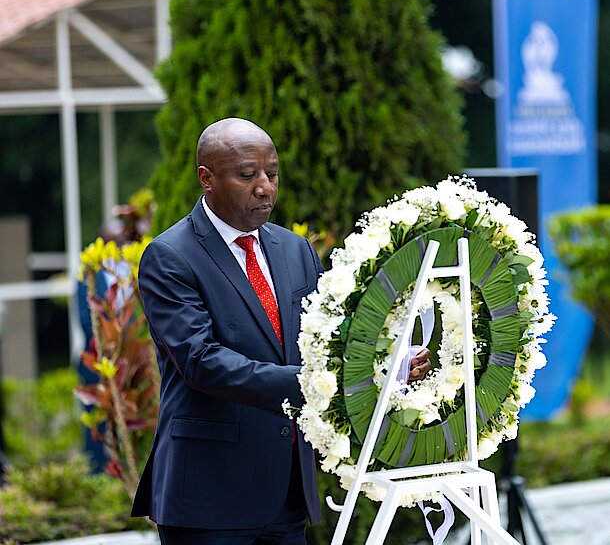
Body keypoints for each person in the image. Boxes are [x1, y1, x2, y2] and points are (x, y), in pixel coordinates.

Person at [131, 118, 431, 544]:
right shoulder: (170, 256)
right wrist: (313, 383)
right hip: (208, 494)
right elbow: (201, 361)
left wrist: (390, 366)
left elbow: (334, 339)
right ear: (207, 178)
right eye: (247, 175)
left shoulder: (296, 250)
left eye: (271, 173)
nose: (265, 188)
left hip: (287, 494)